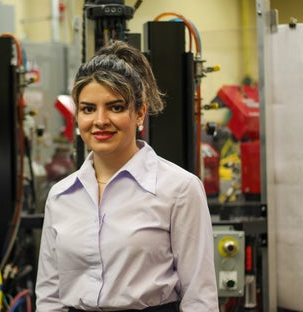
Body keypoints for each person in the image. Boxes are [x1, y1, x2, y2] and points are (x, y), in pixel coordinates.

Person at [35, 40, 218, 311]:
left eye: (116, 107)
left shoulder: (179, 189)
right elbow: (50, 297)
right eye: (88, 109)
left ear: (140, 113)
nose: (100, 120)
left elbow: (199, 298)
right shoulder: (61, 196)